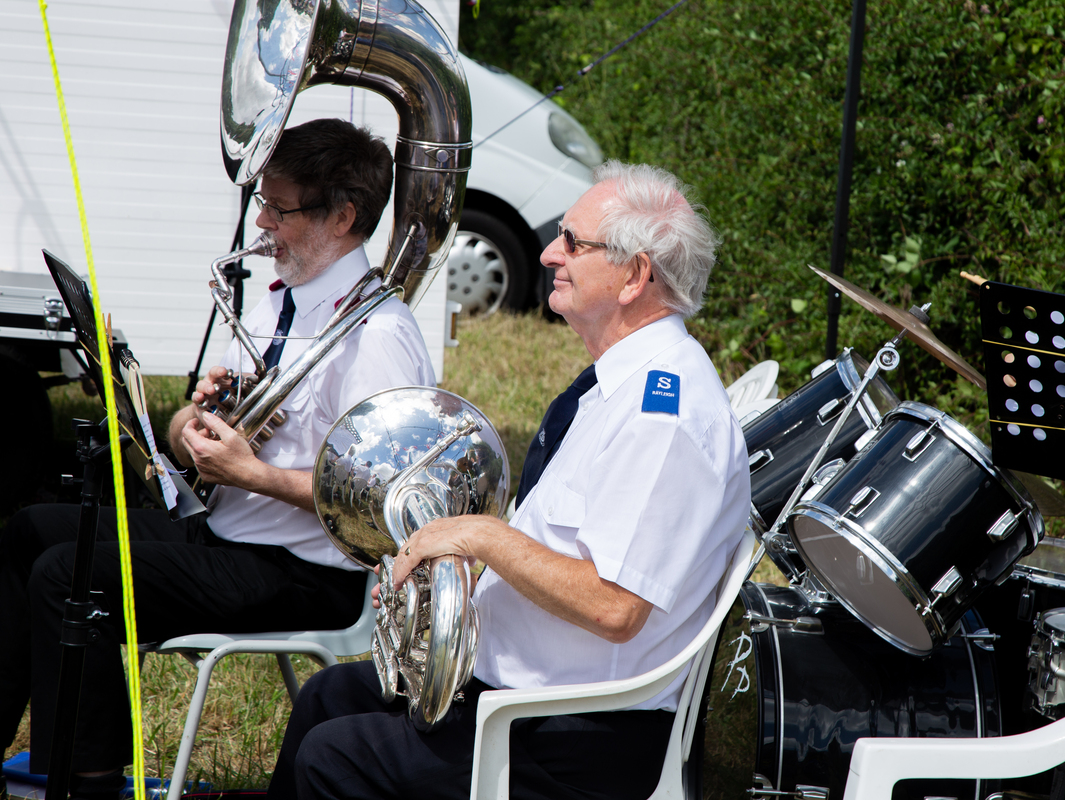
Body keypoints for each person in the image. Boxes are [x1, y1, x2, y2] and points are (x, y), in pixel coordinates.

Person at [266, 160, 751, 800]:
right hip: (523, 699)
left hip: (576, 733)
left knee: (335, 760)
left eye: (573, 242)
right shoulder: (621, 386)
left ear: (636, 276)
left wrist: (483, 539)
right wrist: (450, 580)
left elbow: (614, 606)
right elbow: (564, 549)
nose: (550, 252)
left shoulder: (665, 416)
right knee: (327, 697)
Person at [0, 118, 436, 799]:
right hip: (225, 533)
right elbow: (190, 430)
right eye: (263, 203)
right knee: (29, 529)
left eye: (280, 209)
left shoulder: (375, 336)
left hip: (301, 573)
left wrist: (251, 473)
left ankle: (88, 781)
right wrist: (190, 426)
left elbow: (385, 497)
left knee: (67, 573)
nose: (262, 223)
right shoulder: (279, 305)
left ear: (343, 217)